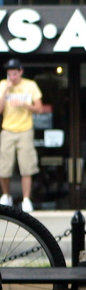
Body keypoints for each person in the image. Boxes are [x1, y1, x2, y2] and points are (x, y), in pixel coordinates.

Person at [0, 58, 43, 212]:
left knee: (27, 166)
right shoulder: (2, 85)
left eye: (15, 74)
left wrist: (24, 104)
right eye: (9, 74)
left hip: (25, 130)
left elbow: (39, 108)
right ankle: (6, 196)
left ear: (21, 72)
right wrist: (6, 90)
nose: (12, 77)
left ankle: (26, 199)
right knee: (4, 166)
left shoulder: (30, 85)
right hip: (7, 130)